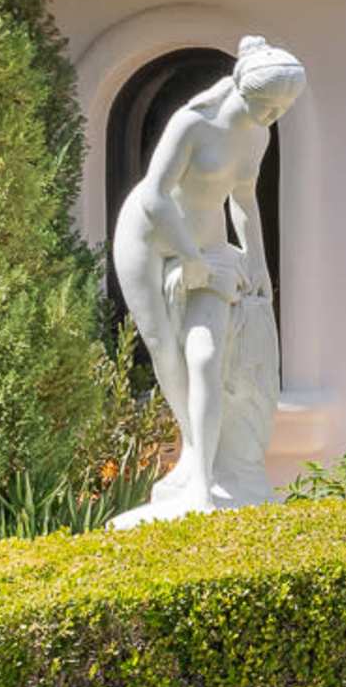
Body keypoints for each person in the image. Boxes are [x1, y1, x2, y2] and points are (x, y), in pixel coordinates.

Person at [111, 37, 304, 520]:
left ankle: (203, 476)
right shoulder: (192, 124)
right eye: (267, 105)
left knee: (206, 357)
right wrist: (188, 257)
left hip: (211, 249)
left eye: (282, 109)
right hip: (150, 241)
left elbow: (243, 200)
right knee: (165, 348)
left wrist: (256, 261)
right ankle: (194, 452)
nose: (272, 117)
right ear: (243, 87)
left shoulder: (257, 136)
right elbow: (155, 195)